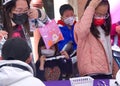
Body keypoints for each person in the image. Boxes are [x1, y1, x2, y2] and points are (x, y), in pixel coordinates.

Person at [74, 0, 119, 79]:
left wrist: (113, 65)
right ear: (91, 11)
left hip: (106, 73)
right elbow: (82, 31)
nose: (101, 17)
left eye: (104, 15)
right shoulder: (81, 26)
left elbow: (107, 51)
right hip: (91, 74)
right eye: (98, 14)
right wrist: (91, 6)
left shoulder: (103, 28)